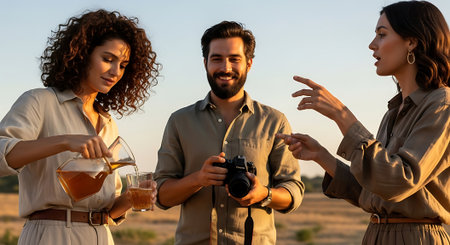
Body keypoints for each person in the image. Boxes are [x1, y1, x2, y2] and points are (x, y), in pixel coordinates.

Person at [278, 1, 449, 244]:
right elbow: (374, 192)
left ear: (412, 42)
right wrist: (321, 156)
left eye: (381, 35)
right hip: (376, 235)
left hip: (418, 237)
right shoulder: (393, 112)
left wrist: (342, 115)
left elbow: (399, 181)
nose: (372, 45)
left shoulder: (442, 105)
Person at [0, 10, 160, 245]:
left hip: (101, 237)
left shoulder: (108, 124)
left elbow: (109, 210)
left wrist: (130, 199)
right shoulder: (39, 101)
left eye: (123, 65)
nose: (116, 72)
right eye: (108, 59)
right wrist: (64, 141)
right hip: (50, 235)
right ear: (82, 54)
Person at [154, 21, 305, 245]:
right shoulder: (179, 121)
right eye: (216, 59)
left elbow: (293, 191)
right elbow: (161, 196)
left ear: (249, 63)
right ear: (205, 63)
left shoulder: (274, 121)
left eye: (234, 59)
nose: (225, 67)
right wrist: (198, 179)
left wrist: (263, 194)